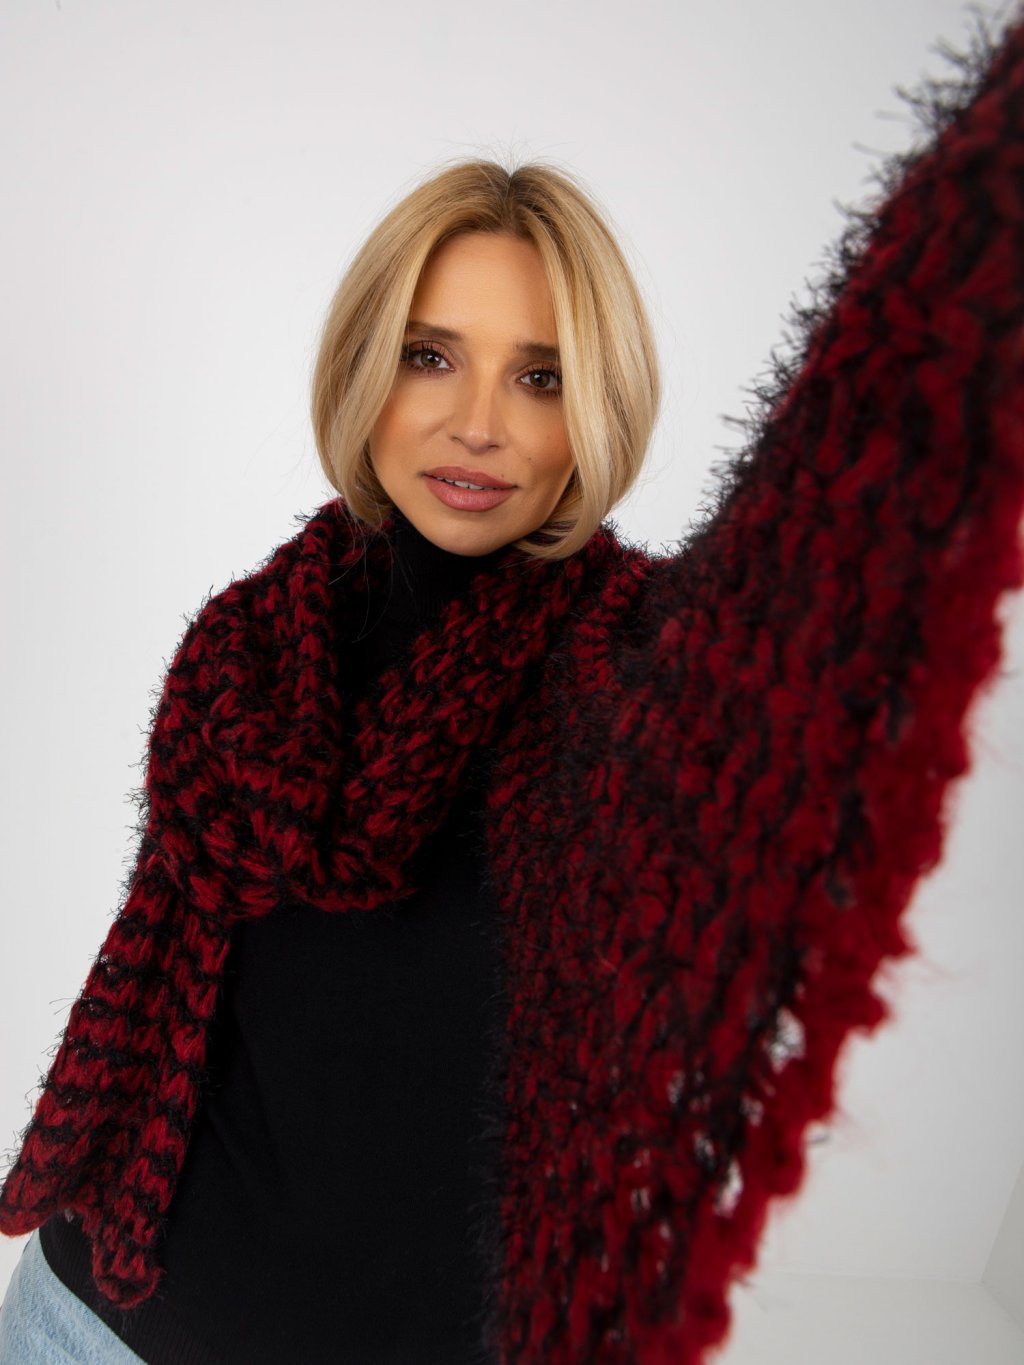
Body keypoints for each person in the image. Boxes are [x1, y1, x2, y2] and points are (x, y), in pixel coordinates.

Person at [1, 11, 1023, 1364]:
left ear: (593, 407)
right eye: (431, 355)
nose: (477, 421)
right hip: (86, 1325)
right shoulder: (245, 655)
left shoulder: (634, 675)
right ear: (365, 367)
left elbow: (855, 515)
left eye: (539, 376)